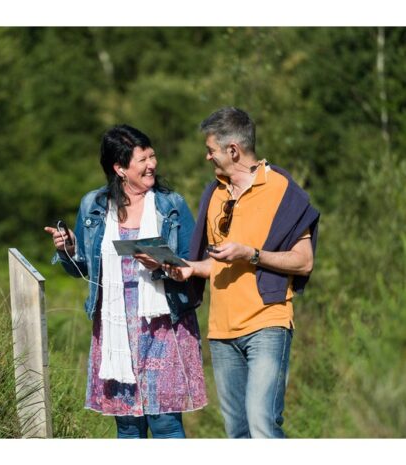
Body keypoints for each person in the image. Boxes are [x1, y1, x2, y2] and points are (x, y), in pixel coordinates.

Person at [163, 107, 319, 438]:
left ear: (233, 150)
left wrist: (252, 254)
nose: (207, 157)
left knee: (262, 422)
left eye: (211, 150)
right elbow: (215, 265)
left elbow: (304, 261)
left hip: (267, 323)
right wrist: (190, 269)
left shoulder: (281, 189)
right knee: (238, 433)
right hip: (221, 333)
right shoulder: (214, 194)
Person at [44, 124, 207, 439]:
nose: (152, 165)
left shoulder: (171, 203)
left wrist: (164, 265)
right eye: (143, 159)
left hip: (164, 326)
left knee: (165, 422)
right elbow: (85, 270)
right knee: (128, 424)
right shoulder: (93, 205)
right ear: (120, 168)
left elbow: (191, 262)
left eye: (153, 156)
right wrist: (68, 250)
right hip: (115, 325)